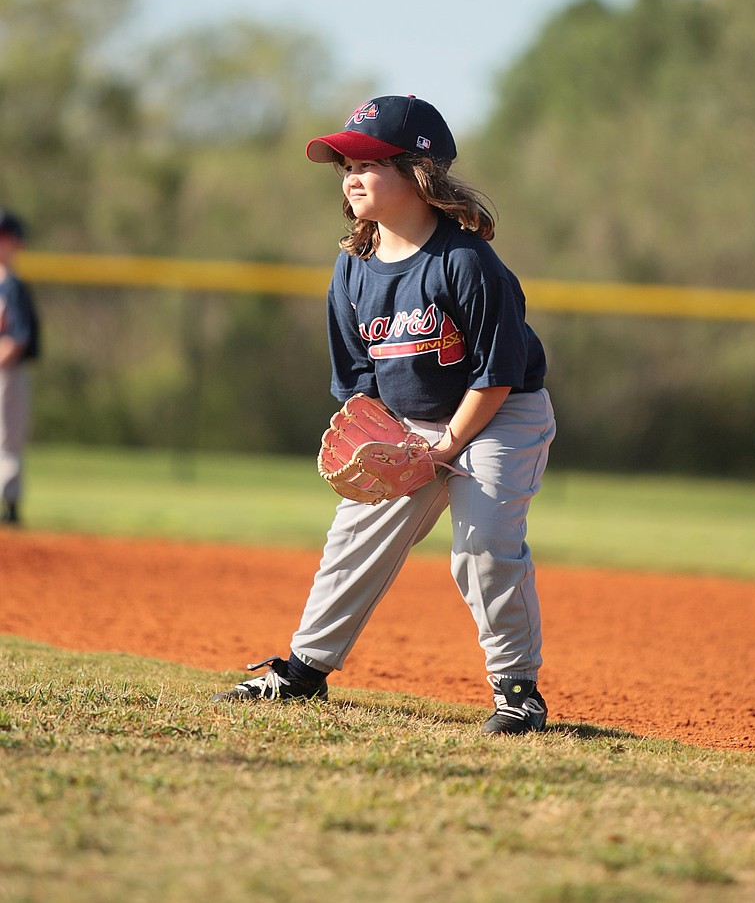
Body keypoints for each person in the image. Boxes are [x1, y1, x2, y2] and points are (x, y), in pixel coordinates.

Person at [214, 95, 556, 735]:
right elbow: (359, 384)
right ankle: (303, 671)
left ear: (419, 172)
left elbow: (498, 374)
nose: (351, 175)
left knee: (481, 544)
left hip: (501, 413)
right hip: (410, 423)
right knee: (354, 537)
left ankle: (518, 692)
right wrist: (387, 441)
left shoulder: (465, 261)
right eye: (345, 163)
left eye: (370, 162)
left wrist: (448, 445)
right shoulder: (352, 267)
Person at [0, 209, 40, 526]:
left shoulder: (12, 286)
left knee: (7, 438)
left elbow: (17, 339)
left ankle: (9, 507)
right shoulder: (7, 286)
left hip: (6, 373)